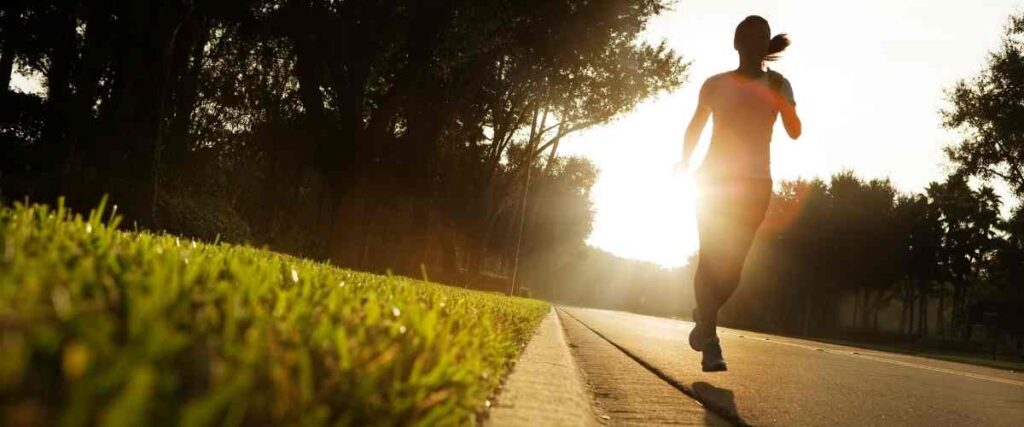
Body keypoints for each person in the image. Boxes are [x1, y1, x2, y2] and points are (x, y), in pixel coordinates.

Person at [680, 15, 802, 372]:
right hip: (714, 183)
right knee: (710, 260)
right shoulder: (714, 85)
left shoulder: (779, 83)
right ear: (736, 43)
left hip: (755, 186)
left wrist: (782, 103)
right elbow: (695, 127)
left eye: (760, 38)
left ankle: (704, 318)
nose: (752, 44)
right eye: (746, 38)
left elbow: (794, 132)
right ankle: (711, 345)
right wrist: (684, 162)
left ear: (766, 46)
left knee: (732, 272)